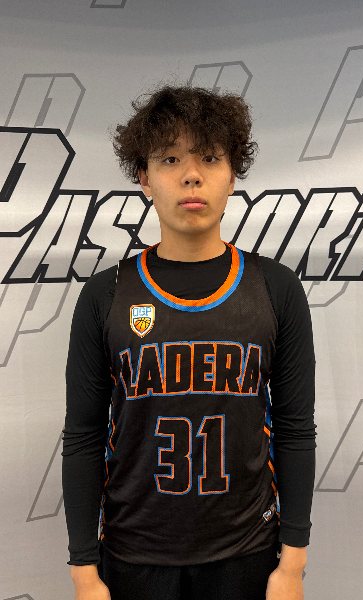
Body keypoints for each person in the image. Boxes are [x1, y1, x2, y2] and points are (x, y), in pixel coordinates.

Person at [62, 83, 316, 600]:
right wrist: (83, 570)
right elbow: (84, 436)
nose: (191, 175)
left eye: (210, 158)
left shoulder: (275, 288)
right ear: (144, 178)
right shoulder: (106, 293)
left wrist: (293, 563)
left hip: (247, 554)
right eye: (170, 158)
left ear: (233, 174)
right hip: (133, 556)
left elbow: (294, 430)